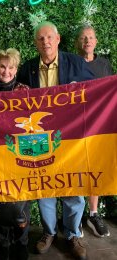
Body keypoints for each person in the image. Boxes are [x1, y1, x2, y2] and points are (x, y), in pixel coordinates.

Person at [17, 21, 95, 260]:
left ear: (58, 39)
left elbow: (94, 93)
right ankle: (48, 233)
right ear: (35, 43)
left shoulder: (76, 63)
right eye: (40, 39)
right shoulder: (27, 69)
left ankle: (73, 234)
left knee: (73, 187)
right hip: (37, 137)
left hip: (70, 138)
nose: (45, 42)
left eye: (49, 37)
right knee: (43, 187)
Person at [0, 48, 30, 260]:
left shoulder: (26, 90)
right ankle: (3, 244)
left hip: (20, 154)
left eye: (11, 67)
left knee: (22, 200)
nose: (6, 71)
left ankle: (21, 243)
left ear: (16, 69)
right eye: (3, 66)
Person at [75, 24, 113, 238]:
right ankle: (76, 216)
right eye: (83, 38)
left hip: (99, 126)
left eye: (90, 37)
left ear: (96, 41)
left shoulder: (105, 65)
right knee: (76, 169)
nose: (87, 41)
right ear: (77, 43)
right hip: (76, 126)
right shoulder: (71, 63)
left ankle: (93, 213)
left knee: (95, 168)